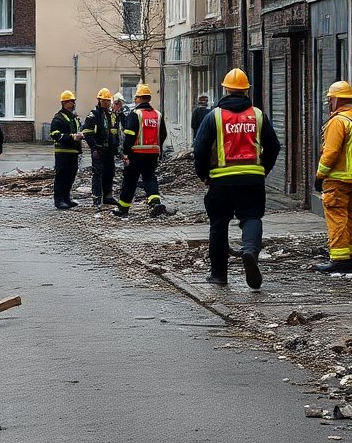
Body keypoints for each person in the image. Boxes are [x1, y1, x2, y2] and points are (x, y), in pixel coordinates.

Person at [192, 68, 281, 289]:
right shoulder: (258, 115)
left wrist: (204, 175)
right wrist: (263, 169)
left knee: (219, 226)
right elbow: (274, 146)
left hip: (221, 182)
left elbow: (200, 149)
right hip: (252, 181)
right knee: (251, 218)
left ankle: (219, 275)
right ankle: (250, 251)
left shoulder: (214, 116)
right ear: (246, 91)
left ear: (225, 89)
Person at [315, 81, 352, 274]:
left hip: (337, 180)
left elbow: (330, 152)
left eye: (330, 99)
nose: (329, 103)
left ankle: (340, 260)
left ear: (336, 100)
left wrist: (319, 175)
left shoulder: (338, 122)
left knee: (337, 218)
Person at [114, 84, 171, 218]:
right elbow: (163, 134)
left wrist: (126, 153)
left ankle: (123, 208)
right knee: (150, 177)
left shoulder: (136, 114)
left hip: (136, 154)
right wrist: (158, 149)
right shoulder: (158, 115)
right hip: (152, 153)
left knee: (130, 180)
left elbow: (129, 135)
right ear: (149, 98)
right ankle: (155, 202)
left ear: (138, 99)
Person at [81, 88, 120, 208]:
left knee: (109, 172)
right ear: (99, 100)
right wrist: (94, 147)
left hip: (109, 150)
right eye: (104, 101)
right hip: (99, 149)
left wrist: (116, 147)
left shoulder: (111, 115)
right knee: (97, 173)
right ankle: (97, 198)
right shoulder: (94, 114)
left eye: (108, 101)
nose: (106, 103)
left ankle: (108, 196)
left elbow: (115, 131)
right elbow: (87, 131)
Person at [49, 90, 83, 210]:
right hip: (63, 151)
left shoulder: (74, 117)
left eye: (74, 101)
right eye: (71, 101)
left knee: (71, 176)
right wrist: (72, 137)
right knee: (61, 176)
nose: (73, 103)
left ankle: (67, 198)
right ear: (64, 103)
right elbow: (55, 134)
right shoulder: (58, 118)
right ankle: (59, 200)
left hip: (73, 151)